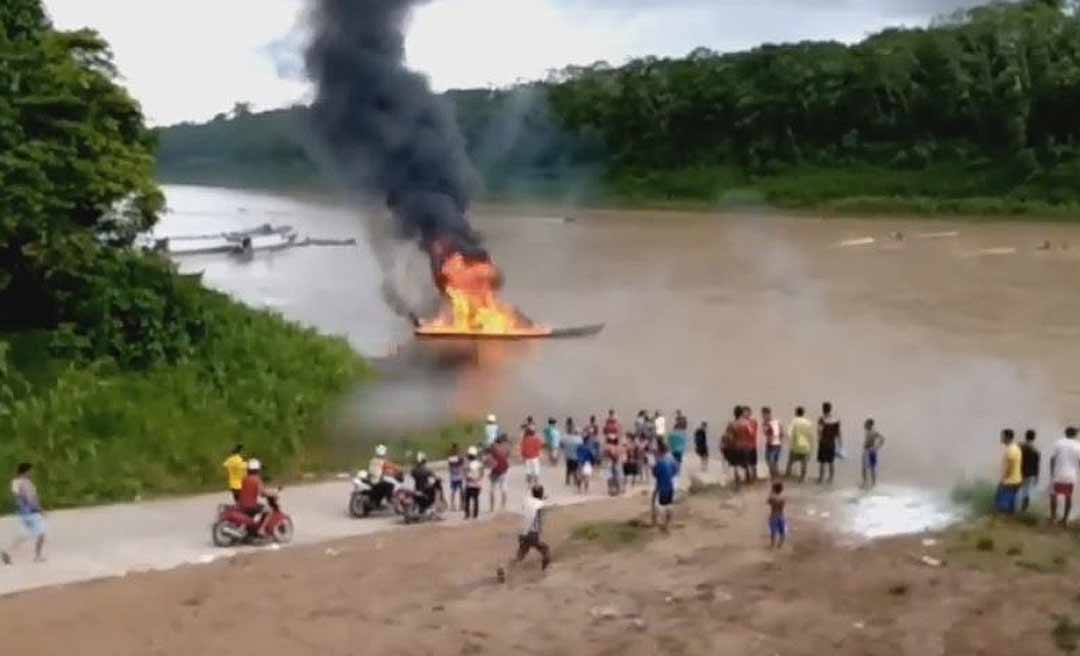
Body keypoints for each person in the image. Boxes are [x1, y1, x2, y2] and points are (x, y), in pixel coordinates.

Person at [2, 463, 45, 564]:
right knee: (41, 533)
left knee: (23, 535)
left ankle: (7, 552)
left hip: (26, 512)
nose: (32, 473)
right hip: (31, 512)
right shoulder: (23, 483)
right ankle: (38, 556)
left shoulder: (19, 482)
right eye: (31, 471)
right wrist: (38, 509)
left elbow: (23, 497)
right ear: (26, 471)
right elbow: (25, 498)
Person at [514, 485, 551, 570]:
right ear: (541, 494)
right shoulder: (540, 505)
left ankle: (506, 569)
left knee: (521, 553)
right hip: (532, 532)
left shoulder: (526, 501)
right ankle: (544, 570)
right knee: (545, 549)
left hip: (522, 532)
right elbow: (539, 518)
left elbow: (533, 504)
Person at [236, 459, 276, 536]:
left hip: (241, 504)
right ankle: (261, 529)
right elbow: (262, 493)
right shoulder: (257, 479)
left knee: (252, 513)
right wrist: (272, 494)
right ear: (257, 470)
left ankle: (247, 529)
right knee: (269, 510)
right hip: (251, 505)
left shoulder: (244, 479)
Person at [1050, 427, 1080, 526]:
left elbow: (1053, 459)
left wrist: (1052, 472)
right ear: (1075, 434)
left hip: (1058, 473)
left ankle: (1053, 518)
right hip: (1071, 475)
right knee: (1068, 496)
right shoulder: (1078, 445)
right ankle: (1065, 520)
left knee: (1054, 495)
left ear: (1065, 433)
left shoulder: (1058, 443)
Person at [995, 429, 1023, 515]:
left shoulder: (1010, 450)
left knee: (1002, 506)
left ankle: (1001, 521)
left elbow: (1008, 468)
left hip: (1009, 481)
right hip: (1016, 480)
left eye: (1002, 436)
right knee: (1010, 506)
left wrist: (1002, 480)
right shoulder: (1016, 448)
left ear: (1007, 437)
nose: (1001, 438)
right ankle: (1010, 520)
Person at [652, 442, 678, 531]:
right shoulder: (672, 460)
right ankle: (667, 524)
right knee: (669, 504)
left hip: (661, 486)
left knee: (659, 505)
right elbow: (675, 471)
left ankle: (658, 521)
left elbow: (655, 473)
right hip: (671, 486)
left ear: (660, 451)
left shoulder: (659, 462)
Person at [786, 407, 814, 482]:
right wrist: (811, 446)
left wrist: (790, 441)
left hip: (796, 445)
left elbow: (788, 433)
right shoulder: (808, 422)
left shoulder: (794, 421)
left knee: (790, 462)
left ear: (796, 413)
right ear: (803, 413)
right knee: (804, 463)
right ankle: (802, 478)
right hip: (805, 445)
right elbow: (811, 435)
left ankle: (787, 477)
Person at [816, 402, 842, 484]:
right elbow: (838, 433)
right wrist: (840, 443)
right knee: (831, 462)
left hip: (823, 443)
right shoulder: (836, 420)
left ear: (823, 409)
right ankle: (831, 479)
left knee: (822, 462)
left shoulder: (821, 419)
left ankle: (821, 479)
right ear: (830, 409)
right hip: (832, 443)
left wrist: (819, 440)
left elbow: (819, 431)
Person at [1019, 429, 1040, 513]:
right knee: (1026, 492)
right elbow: (1037, 465)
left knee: (1018, 491)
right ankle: (1023, 510)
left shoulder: (1020, 446)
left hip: (1019, 472)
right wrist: (1037, 477)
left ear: (1025, 436)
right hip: (1030, 474)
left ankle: (1014, 508)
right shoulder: (1036, 450)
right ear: (1034, 438)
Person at [488, 435, 511, 512]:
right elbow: (507, 456)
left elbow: (491, 458)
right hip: (504, 469)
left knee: (492, 490)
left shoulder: (493, 447)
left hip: (495, 471)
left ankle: (492, 508)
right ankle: (503, 506)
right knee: (504, 489)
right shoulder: (506, 448)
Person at [861, 419, 886, 489]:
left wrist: (877, 447)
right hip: (872, 451)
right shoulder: (870, 431)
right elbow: (882, 439)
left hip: (868, 451)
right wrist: (876, 448)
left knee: (865, 468)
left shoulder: (873, 431)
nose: (864, 425)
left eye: (866, 424)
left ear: (869, 425)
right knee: (871, 468)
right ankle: (872, 483)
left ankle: (866, 483)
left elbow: (883, 439)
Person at [762, 408, 784, 479]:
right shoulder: (764, 423)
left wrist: (780, 442)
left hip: (776, 445)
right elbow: (765, 433)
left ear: (769, 414)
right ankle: (774, 476)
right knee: (770, 461)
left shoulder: (776, 422)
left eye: (765, 415)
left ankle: (775, 477)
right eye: (763, 415)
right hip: (769, 445)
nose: (763, 416)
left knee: (772, 461)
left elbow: (782, 433)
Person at [561, 418, 583, 487]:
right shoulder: (579, 439)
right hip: (576, 457)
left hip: (568, 456)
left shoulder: (565, 438)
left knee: (568, 468)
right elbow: (582, 448)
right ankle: (575, 481)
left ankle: (567, 481)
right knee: (575, 469)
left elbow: (561, 445)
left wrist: (565, 450)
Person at [464, 446, 483, 519]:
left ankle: (467, 514)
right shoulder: (479, 464)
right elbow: (481, 474)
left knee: (467, 500)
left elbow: (466, 475)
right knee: (475, 499)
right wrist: (477, 480)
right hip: (477, 484)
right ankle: (475, 515)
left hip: (469, 485)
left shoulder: (467, 464)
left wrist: (471, 478)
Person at [767, 481, 786, 549]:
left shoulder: (772, 497)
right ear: (781, 489)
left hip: (773, 515)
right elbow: (782, 507)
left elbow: (768, 502)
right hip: (781, 515)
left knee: (773, 532)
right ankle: (780, 545)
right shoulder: (783, 498)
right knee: (782, 531)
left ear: (774, 489)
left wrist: (771, 492)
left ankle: (772, 545)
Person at [447, 443, 464, 511]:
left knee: (454, 491)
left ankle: (453, 505)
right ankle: (460, 505)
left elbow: (450, 467)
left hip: (453, 477)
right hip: (458, 477)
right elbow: (461, 465)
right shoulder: (459, 458)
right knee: (460, 491)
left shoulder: (450, 458)